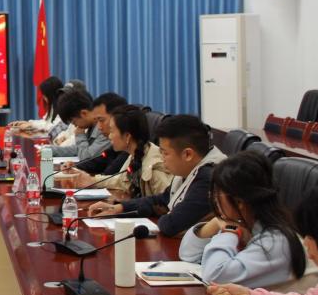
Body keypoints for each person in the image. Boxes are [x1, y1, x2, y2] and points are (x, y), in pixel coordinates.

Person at [179, 152, 307, 289]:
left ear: (239, 202)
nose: (215, 200)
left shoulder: (276, 242)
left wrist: (229, 231)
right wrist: (215, 224)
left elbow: (215, 277)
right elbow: (188, 254)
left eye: (217, 194)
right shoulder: (244, 222)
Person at [88, 114, 225, 237]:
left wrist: (166, 213)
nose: (161, 158)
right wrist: (119, 208)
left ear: (187, 154)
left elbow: (171, 225)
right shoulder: (189, 169)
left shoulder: (209, 178)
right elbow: (161, 199)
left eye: (165, 153)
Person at [62, 106, 172, 198]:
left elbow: (167, 205)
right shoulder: (137, 154)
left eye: (112, 131)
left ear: (127, 136)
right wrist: (91, 180)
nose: (109, 136)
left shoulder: (154, 170)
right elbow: (120, 180)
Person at [71, 92, 130, 175]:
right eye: (97, 121)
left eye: (101, 120)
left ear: (118, 117)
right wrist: (74, 167)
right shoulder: (115, 147)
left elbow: (108, 176)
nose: (99, 127)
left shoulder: (130, 149)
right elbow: (100, 161)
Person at [51, 89, 110, 160]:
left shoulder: (104, 129)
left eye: (74, 122)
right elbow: (78, 149)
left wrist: (80, 135)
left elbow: (87, 157)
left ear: (84, 113)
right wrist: (50, 150)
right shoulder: (91, 126)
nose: (75, 126)